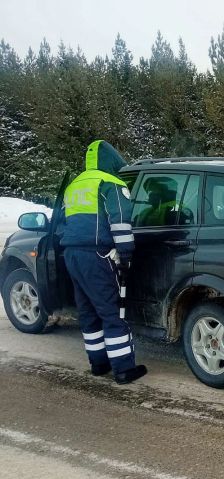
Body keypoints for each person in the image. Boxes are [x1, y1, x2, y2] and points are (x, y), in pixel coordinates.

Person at [59, 140, 147, 384]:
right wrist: (126, 253)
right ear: (111, 160)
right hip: (98, 255)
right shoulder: (111, 183)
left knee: (88, 312)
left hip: (71, 255)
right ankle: (124, 369)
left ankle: (98, 364)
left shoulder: (74, 185)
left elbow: (69, 220)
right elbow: (120, 221)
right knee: (112, 312)